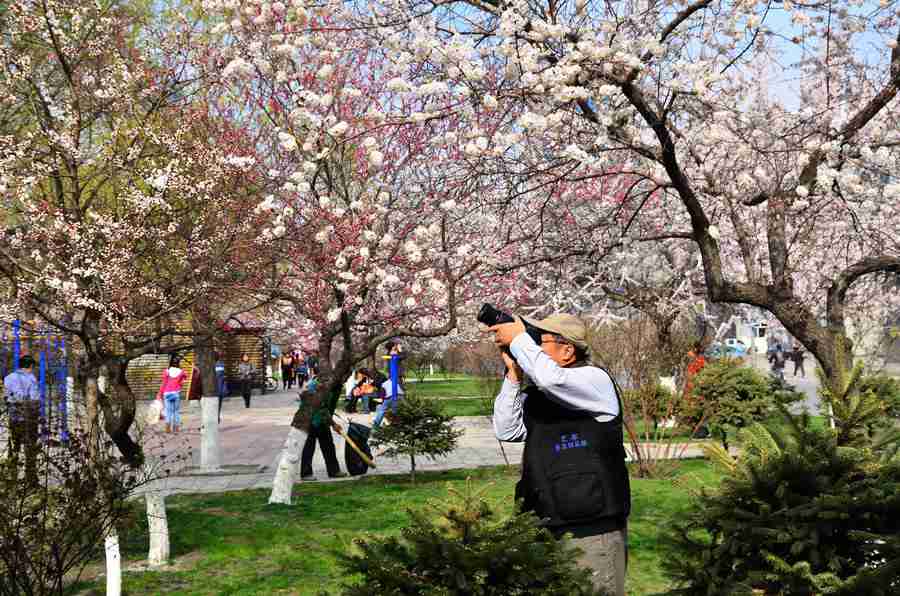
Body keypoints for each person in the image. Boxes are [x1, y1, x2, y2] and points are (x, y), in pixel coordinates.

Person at [489, 313, 630, 596]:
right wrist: (514, 375)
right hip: (542, 525)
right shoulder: (540, 394)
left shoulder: (595, 380)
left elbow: (553, 380)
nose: (532, 348)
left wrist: (517, 338)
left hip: (591, 531)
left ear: (568, 350)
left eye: (540, 342)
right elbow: (507, 429)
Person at [299, 377, 347, 480]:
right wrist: (333, 424)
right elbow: (322, 408)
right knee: (309, 447)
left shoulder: (332, 386)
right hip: (310, 419)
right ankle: (306, 474)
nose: (345, 380)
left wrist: (331, 421)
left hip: (321, 419)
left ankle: (334, 471)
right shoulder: (317, 386)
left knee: (328, 446)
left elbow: (329, 407)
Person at [3, 355, 41, 485]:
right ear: (30, 366)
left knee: (14, 447)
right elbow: (34, 400)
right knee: (30, 449)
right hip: (28, 419)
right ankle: (31, 479)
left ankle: (11, 476)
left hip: (14, 418)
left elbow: (6, 398)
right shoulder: (31, 379)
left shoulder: (8, 378)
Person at [156, 356, 187, 433]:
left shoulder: (166, 371)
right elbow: (184, 379)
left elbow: (164, 383)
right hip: (176, 393)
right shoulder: (181, 372)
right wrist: (180, 384)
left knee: (168, 411)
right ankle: (176, 428)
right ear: (178, 363)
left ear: (170, 363)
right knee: (176, 411)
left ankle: (167, 429)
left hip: (167, 393)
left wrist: (159, 394)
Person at [214, 353, 227, 422]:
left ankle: (216, 418)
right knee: (218, 405)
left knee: (214, 406)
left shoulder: (219, 365)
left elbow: (218, 376)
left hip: (216, 389)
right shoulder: (221, 364)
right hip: (219, 389)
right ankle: (217, 417)